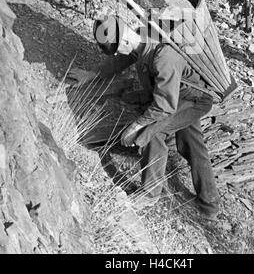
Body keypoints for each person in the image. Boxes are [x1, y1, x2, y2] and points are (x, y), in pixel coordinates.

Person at [68, 15, 220, 220]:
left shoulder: (163, 57)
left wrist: (136, 126)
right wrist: (91, 74)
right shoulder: (141, 36)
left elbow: (165, 107)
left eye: (117, 47)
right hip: (180, 94)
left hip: (192, 99)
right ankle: (209, 204)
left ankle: (150, 192)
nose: (119, 52)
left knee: (151, 132)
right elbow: (120, 60)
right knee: (192, 144)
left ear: (123, 41)